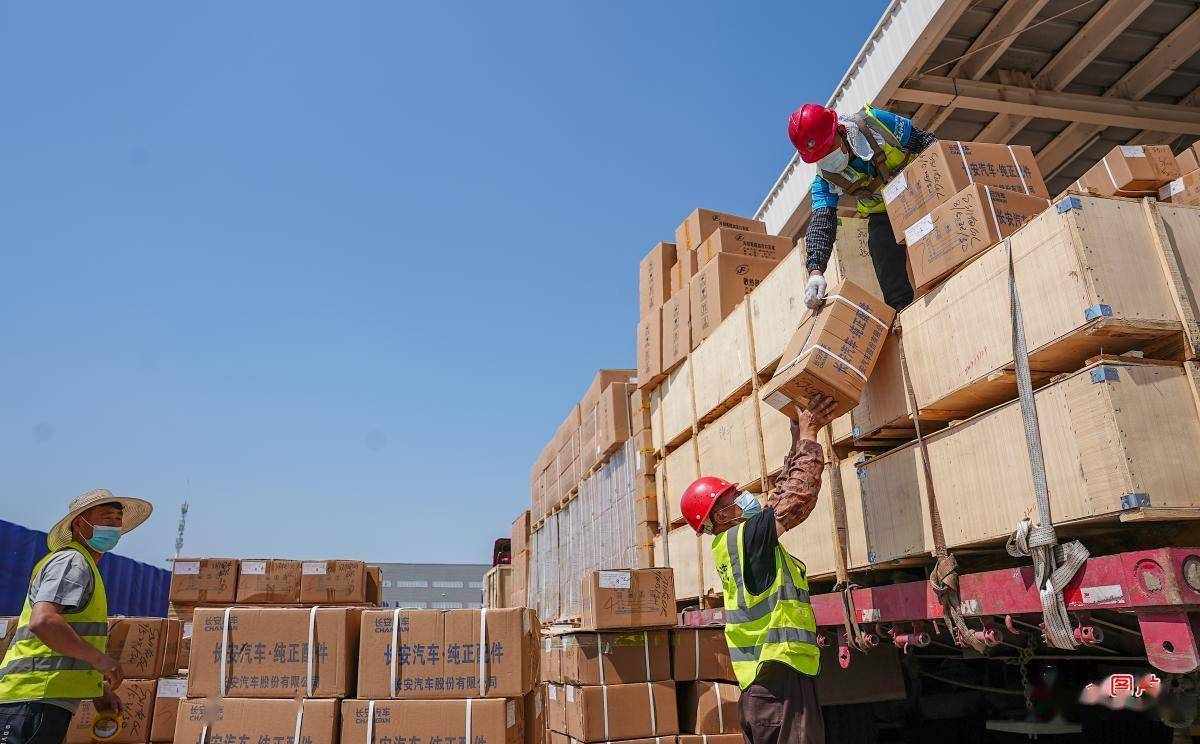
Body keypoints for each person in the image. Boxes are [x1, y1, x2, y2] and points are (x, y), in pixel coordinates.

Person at [680, 394, 839, 744]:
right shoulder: (745, 539)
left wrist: (798, 439)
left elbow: (779, 496)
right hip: (780, 682)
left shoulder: (733, 543)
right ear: (722, 516)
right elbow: (795, 500)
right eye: (732, 498)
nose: (744, 498)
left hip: (763, 691)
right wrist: (811, 440)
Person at [0, 489, 153, 744]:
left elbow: (67, 644)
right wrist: (101, 660)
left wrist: (97, 690)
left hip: (43, 700)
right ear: (80, 524)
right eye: (106, 517)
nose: (115, 524)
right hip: (32, 699)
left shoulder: (85, 565)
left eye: (118, 518)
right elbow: (44, 621)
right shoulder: (72, 561)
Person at [788, 103, 939, 312]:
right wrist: (816, 272)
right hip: (884, 212)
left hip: (924, 190)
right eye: (818, 157)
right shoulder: (824, 180)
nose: (827, 159)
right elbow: (822, 222)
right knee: (879, 242)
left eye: (829, 149)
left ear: (840, 131)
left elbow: (925, 142)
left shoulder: (875, 123)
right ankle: (902, 310)